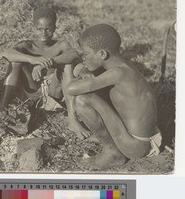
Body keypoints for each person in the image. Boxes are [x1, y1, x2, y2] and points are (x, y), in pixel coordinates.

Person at [0, 7, 90, 138]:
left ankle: (72, 119)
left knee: (67, 65)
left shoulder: (60, 45)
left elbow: (73, 54)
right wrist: (33, 60)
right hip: (33, 94)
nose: (43, 33)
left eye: (48, 29)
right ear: (33, 28)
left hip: (53, 94)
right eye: (39, 29)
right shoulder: (27, 46)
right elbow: (7, 53)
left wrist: (50, 62)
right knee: (15, 61)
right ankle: (1, 110)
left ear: (55, 28)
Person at [65, 24, 162, 170]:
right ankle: (111, 140)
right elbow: (86, 70)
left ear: (102, 54)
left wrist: (81, 76)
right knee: (93, 85)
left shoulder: (118, 73)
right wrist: (85, 70)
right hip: (144, 136)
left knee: (82, 99)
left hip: (136, 145)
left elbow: (70, 88)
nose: (83, 58)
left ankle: (113, 153)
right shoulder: (121, 66)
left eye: (85, 54)